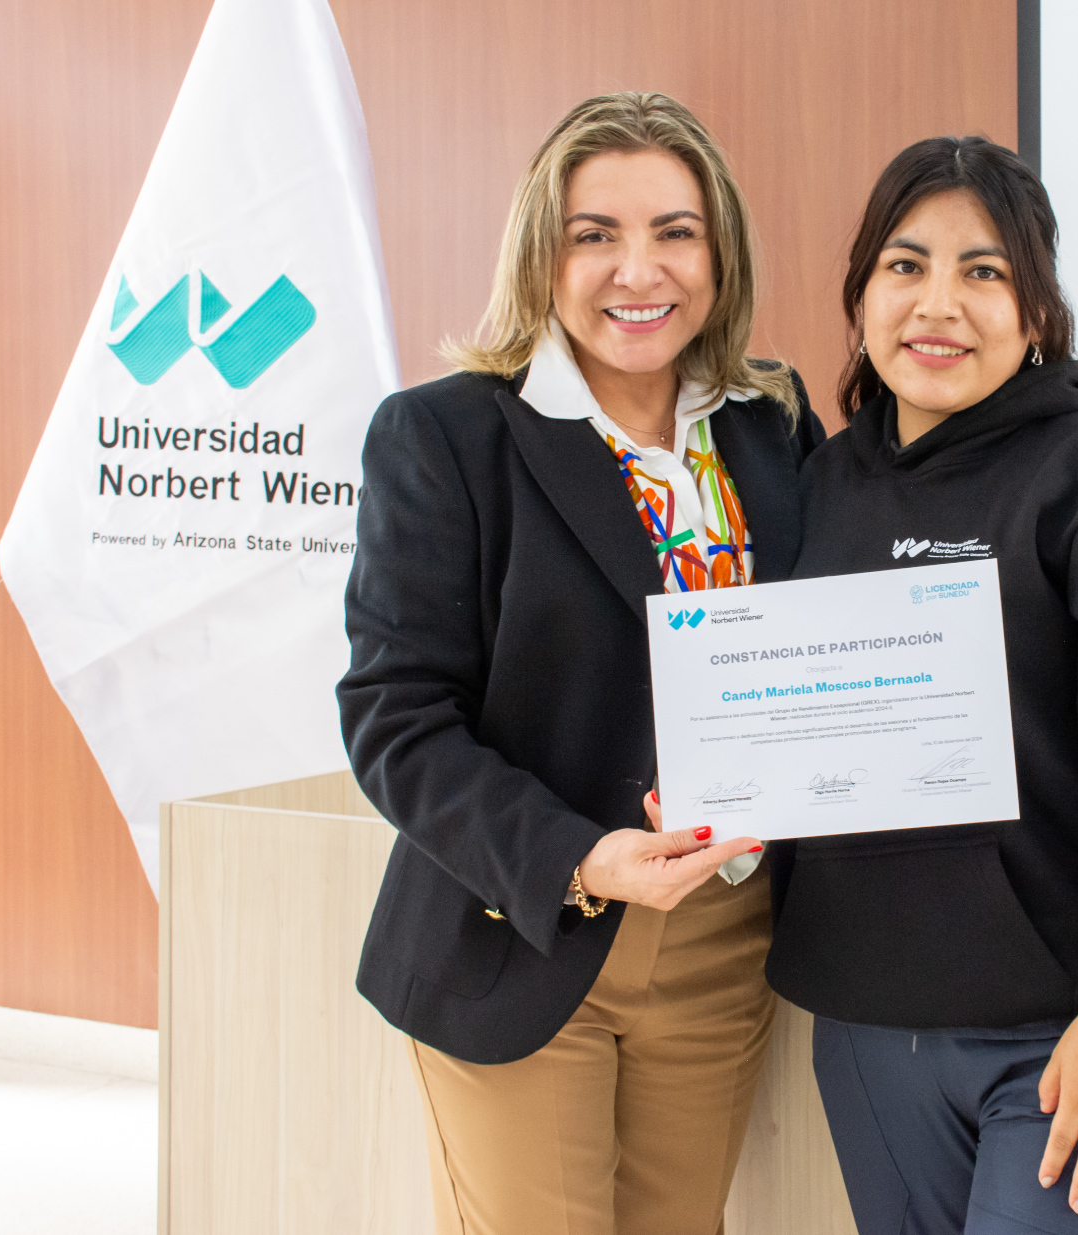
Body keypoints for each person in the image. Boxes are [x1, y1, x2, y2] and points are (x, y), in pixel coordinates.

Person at [763, 136, 1078, 1234]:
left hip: (1072, 1027)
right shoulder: (818, 489)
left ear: (1036, 313)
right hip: (867, 1029)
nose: (936, 302)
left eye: (981, 271)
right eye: (903, 266)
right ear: (859, 297)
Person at [337, 92, 825, 1235]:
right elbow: (395, 719)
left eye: (674, 231)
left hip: (722, 943)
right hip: (525, 928)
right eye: (592, 232)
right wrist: (579, 856)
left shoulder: (774, 426)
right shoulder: (445, 435)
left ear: (719, 253)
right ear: (540, 256)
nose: (635, 269)